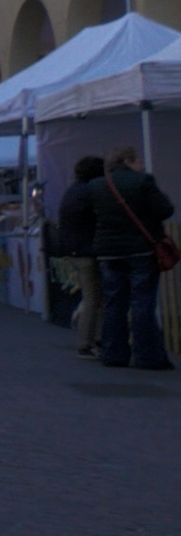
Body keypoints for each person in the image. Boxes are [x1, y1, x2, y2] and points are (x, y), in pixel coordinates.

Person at [90, 146, 177, 370]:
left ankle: (113, 353)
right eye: (139, 161)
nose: (142, 165)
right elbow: (165, 210)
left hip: (108, 251)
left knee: (114, 302)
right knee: (142, 303)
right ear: (129, 161)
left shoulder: (97, 185)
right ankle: (147, 356)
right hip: (141, 249)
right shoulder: (143, 181)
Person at [58, 155, 105, 360]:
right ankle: (86, 342)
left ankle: (91, 338)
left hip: (74, 250)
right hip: (86, 250)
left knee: (92, 296)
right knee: (93, 298)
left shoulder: (73, 191)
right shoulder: (91, 192)